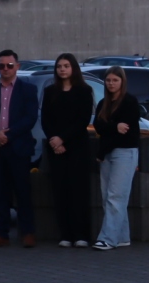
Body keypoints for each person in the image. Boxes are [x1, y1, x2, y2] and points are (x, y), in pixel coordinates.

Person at [0, 50, 40, 250]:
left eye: (9, 65)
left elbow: (30, 118)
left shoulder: (28, 90)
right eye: (1, 65)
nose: (5, 69)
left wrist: (8, 135)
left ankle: (27, 232)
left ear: (17, 67)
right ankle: (1, 234)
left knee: (23, 192)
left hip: (18, 148)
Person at [41, 54, 95, 248]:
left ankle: (81, 235)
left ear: (73, 68)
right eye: (59, 66)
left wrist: (63, 138)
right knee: (60, 191)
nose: (62, 69)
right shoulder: (50, 91)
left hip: (77, 147)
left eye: (66, 66)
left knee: (78, 191)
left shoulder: (84, 91)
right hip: (56, 149)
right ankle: (65, 234)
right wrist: (54, 141)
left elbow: (83, 120)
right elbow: (45, 119)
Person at [93, 66, 142, 251]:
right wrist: (114, 126)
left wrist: (109, 129)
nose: (111, 83)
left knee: (116, 196)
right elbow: (99, 126)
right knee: (108, 196)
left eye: (115, 80)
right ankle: (121, 236)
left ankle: (107, 238)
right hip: (107, 154)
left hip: (125, 153)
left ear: (122, 81)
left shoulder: (130, 102)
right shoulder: (103, 104)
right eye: (108, 80)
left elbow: (126, 132)